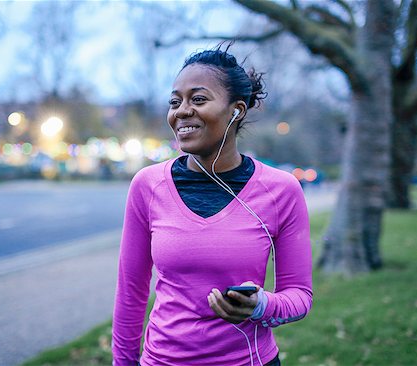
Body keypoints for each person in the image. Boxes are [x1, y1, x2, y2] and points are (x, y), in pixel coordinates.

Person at [112, 44, 312, 366]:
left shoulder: (281, 190)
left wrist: (260, 306)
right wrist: (123, 363)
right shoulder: (147, 185)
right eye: (175, 102)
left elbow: (299, 296)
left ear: (237, 110)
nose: (181, 111)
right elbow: (131, 292)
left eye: (198, 99)